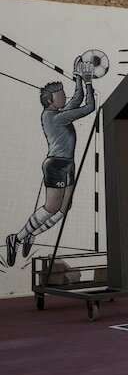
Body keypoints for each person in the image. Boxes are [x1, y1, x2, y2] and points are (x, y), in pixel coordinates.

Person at [6, 60, 95, 267]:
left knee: (64, 209)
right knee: (51, 208)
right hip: (56, 165)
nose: (64, 97)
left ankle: (30, 234)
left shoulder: (58, 113)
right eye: (60, 95)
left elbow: (78, 98)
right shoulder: (55, 118)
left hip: (68, 164)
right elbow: (89, 106)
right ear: (50, 100)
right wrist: (89, 82)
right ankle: (16, 238)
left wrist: (79, 76)